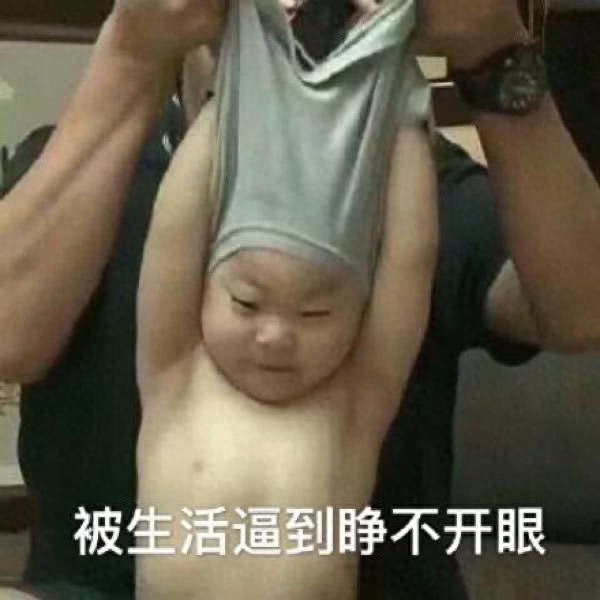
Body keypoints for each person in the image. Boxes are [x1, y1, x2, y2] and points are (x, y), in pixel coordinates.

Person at [1, 0, 600, 598]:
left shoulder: (403, 200)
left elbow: (581, 311)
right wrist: (135, 52)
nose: (275, 335)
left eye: (315, 313)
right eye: (245, 302)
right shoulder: (127, 209)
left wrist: (488, 53)